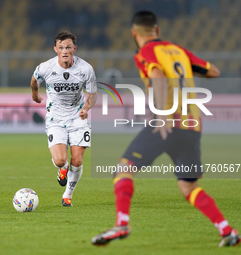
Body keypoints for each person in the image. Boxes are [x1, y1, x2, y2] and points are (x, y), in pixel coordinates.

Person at [92, 11, 240, 247]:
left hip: (168, 121)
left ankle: (122, 223)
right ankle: (227, 231)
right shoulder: (178, 51)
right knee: (188, 186)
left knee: (123, 169)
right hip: (192, 124)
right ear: (157, 30)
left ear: (134, 33)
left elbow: (158, 76)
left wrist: (161, 115)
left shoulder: (145, 52)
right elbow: (213, 71)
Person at [31, 31, 97, 207]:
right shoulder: (47, 67)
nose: (65, 50)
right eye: (61, 47)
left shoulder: (86, 69)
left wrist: (86, 108)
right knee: (61, 160)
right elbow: (35, 79)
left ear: (74, 48)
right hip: (56, 118)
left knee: (78, 160)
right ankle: (62, 169)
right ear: (55, 49)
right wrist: (35, 95)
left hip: (78, 117)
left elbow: (92, 94)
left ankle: (67, 195)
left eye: (68, 47)